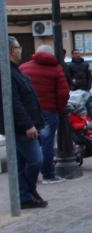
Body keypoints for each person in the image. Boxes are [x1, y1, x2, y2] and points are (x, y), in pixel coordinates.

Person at [0, 38, 47, 208]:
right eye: (19, 47)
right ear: (12, 50)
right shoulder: (7, 73)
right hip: (21, 128)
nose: (21, 51)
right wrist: (28, 125)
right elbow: (14, 102)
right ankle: (28, 190)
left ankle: (25, 197)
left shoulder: (15, 71)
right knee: (36, 160)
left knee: (21, 163)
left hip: (27, 124)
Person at [19, 45, 69, 184]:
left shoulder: (24, 67)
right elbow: (63, 93)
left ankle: (29, 176)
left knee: (30, 144)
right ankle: (48, 174)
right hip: (49, 111)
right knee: (47, 143)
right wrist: (59, 108)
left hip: (29, 113)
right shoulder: (55, 69)